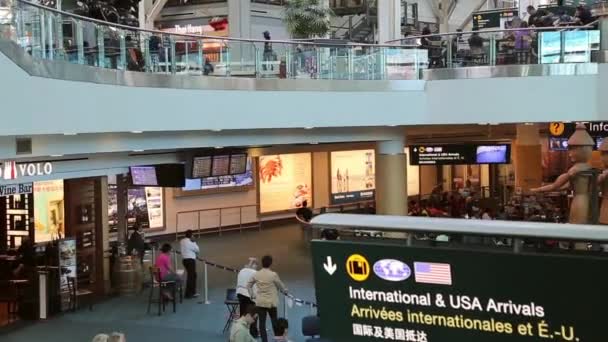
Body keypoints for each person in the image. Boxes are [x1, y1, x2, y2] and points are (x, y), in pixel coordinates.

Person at [247, 255, 287, 342]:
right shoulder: (273, 275)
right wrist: (285, 291)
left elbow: (248, 285)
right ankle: (278, 339)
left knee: (262, 324)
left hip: (260, 302)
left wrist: (252, 295)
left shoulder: (256, 274)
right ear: (270, 263)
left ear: (262, 263)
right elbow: (280, 286)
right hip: (271, 303)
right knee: (274, 322)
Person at [236, 258, 259, 337]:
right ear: (254, 266)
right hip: (249, 295)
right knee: (253, 314)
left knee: (243, 314)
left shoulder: (242, 271)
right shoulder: (255, 273)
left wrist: (251, 261)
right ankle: (253, 333)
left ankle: (241, 332)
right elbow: (256, 287)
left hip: (240, 294)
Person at [180, 230, 200, 298]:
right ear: (191, 236)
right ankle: (188, 294)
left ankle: (193, 292)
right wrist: (194, 242)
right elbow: (197, 250)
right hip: (190, 261)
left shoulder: (182, 241)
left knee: (193, 275)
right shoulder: (190, 242)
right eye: (193, 235)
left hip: (184, 260)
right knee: (191, 277)